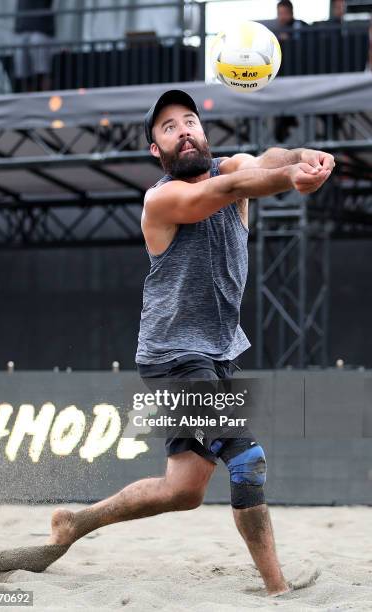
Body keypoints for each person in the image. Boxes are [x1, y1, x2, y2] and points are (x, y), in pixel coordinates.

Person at [45, 90, 334, 596]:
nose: (182, 130)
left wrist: (303, 158)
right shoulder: (162, 199)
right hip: (172, 357)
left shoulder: (234, 169)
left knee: (183, 491)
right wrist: (286, 178)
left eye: (189, 121)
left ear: (203, 132)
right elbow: (232, 188)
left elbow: (264, 161)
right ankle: (278, 591)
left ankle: (75, 523)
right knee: (247, 460)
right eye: (167, 127)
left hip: (216, 352)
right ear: (156, 150)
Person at [14, 0, 55, 92]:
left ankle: (45, 97)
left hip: (42, 29)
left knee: (42, 72)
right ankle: (28, 101)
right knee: (24, 75)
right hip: (23, 29)